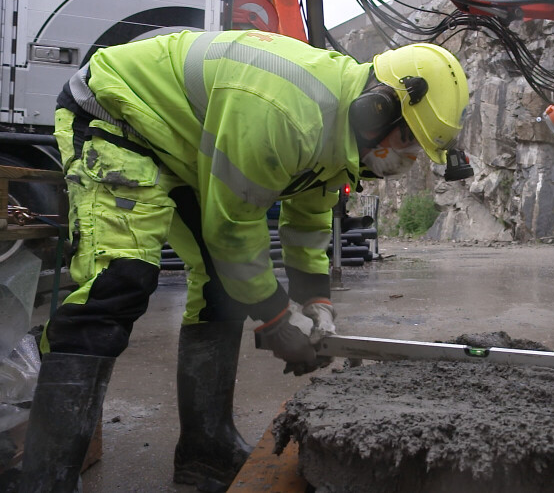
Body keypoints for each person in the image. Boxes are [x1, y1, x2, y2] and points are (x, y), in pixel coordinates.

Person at [21, 30, 469, 493]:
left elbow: (308, 218)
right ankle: (46, 481)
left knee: (221, 289)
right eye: (408, 138)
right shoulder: (286, 113)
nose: (409, 156)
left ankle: (206, 451)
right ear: (378, 107)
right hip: (119, 113)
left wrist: (315, 303)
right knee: (118, 281)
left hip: (184, 142)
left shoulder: (343, 130)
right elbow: (232, 229)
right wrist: (277, 319)